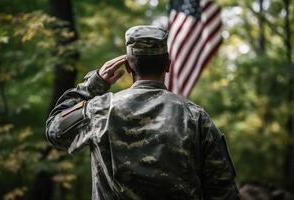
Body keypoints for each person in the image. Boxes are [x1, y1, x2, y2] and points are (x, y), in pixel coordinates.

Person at [46, 25, 240, 200]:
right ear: (168, 65)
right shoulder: (195, 116)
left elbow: (55, 131)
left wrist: (94, 84)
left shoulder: (101, 109)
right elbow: (223, 191)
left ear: (129, 67)